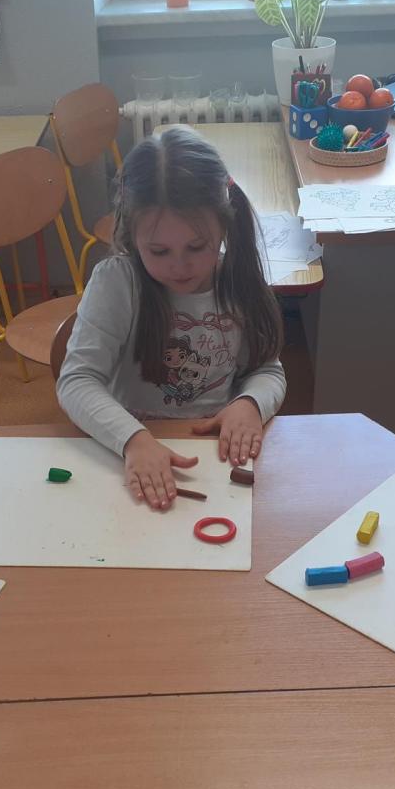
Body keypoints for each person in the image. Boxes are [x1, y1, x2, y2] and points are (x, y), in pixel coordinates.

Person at [57, 126, 286, 510]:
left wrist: (250, 403)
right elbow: (76, 381)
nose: (179, 267)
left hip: (214, 453)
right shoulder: (119, 282)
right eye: (159, 251)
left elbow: (268, 370)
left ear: (224, 226)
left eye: (197, 247)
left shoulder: (238, 280)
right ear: (132, 235)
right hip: (129, 448)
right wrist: (134, 440)